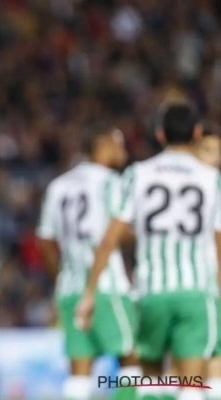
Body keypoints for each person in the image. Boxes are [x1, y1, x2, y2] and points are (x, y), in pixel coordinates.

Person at [76, 103, 221, 400]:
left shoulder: (138, 174)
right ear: (196, 133)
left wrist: (89, 292)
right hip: (196, 291)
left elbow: (110, 239)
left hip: (151, 292)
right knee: (193, 383)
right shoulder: (211, 179)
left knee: (151, 381)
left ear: (160, 134)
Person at [37, 122, 140, 400]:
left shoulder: (58, 185)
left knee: (79, 369)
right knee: (131, 358)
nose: (124, 151)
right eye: (119, 144)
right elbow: (116, 233)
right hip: (107, 286)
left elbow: (45, 241)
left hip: (70, 289)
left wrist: (59, 277)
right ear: (103, 146)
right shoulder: (112, 182)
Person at [166, 120, 221, 400]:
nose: (217, 158)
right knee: (187, 369)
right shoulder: (201, 189)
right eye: (209, 150)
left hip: (200, 289)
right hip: (194, 289)